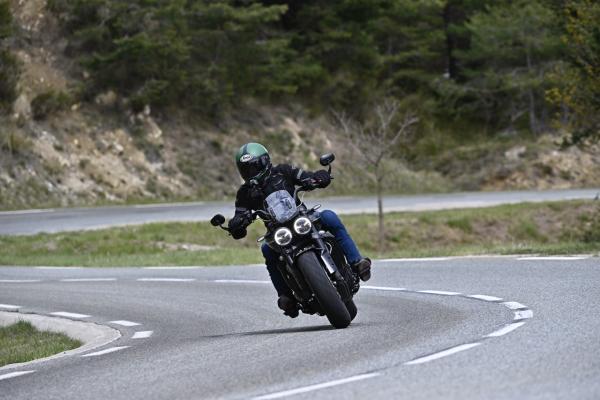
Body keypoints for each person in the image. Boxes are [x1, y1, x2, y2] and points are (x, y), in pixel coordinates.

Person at [228, 142, 371, 317]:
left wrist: (317, 178)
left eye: (254, 166)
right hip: (277, 231)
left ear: (265, 161)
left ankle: (357, 262)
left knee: (328, 216)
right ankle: (286, 296)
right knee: (267, 250)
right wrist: (237, 223)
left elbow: (304, 176)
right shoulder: (245, 193)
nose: (251, 172)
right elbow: (239, 214)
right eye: (246, 169)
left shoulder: (283, 171)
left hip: (300, 217)